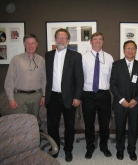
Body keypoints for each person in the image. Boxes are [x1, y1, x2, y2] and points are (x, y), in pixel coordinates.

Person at [45, 28, 84, 162]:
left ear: (68, 40)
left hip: (69, 98)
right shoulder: (48, 55)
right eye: (58, 38)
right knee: (52, 126)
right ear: (55, 39)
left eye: (64, 38)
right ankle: (55, 149)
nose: (61, 40)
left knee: (69, 126)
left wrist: (78, 97)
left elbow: (79, 78)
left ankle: (68, 150)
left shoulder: (76, 56)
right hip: (53, 97)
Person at [110, 40, 138, 161]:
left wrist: (136, 100)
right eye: (128, 48)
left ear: (136, 50)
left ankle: (131, 149)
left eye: (132, 48)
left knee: (133, 129)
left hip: (135, 105)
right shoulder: (116, 65)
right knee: (119, 128)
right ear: (123, 50)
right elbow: (113, 84)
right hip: (120, 104)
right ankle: (120, 149)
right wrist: (121, 100)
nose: (130, 51)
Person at [81, 32, 114, 159]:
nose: (98, 41)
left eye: (100, 39)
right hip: (88, 94)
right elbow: (79, 77)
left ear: (103, 42)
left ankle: (104, 147)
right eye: (95, 39)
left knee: (104, 123)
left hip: (104, 94)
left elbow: (111, 77)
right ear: (90, 42)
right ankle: (90, 147)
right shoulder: (83, 58)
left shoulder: (109, 58)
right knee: (89, 123)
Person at [4, 34, 46, 126]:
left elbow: (44, 80)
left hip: (36, 96)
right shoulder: (16, 59)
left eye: (33, 43)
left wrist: (44, 95)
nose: (31, 46)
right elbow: (9, 81)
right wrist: (11, 98)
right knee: (20, 123)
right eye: (28, 43)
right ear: (24, 45)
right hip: (19, 97)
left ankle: (33, 140)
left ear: (37, 44)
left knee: (34, 122)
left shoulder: (41, 60)